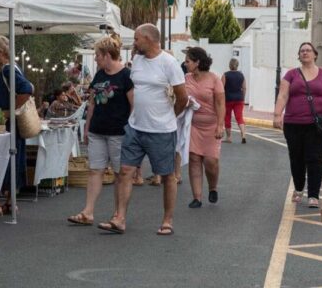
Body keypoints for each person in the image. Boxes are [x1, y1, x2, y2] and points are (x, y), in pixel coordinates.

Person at [100, 24, 187, 235]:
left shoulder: (169, 63)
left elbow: (182, 97)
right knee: (125, 171)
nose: (134, 43)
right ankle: (119, 218)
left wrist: (170, 116)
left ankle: (167, 220)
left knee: (167, 176)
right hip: (135, 127)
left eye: (137, 39)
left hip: (161, 130)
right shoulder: (137, 60)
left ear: (149, 39)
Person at [68, 35, 133, 227]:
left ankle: (119, 215)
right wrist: (87, 127)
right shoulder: (99, 74)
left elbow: (133, 104)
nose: (95, 58)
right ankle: (88, 212)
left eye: (97, 55)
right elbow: (92, 102)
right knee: (94, 170)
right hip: (98, 129)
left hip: (119, 132)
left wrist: (131, 129)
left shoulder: (126, 75)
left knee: (120, 173)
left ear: (106, 55)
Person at [274, 42, 322, 208]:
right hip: (293, 123)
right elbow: (282, 95)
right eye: (302, 51)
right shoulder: (291, 75)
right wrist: (277, 114)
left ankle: (314, 195)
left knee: (315, 158)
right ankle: (299, 188)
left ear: (315, 54)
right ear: (299, 55)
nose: (305, 53)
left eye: (308, 50)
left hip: (318, 125)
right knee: (296, 158)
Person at [0, 35, 33, 214]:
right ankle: (9, 201)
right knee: (11, 160)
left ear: (0, 52)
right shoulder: (12, 69)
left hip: (7, 126)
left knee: (2, 160)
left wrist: (9, 110)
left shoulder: (7, 70)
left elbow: (26, 89)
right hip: (10, 127)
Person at [184, 47, 225, 208]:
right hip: (193, 124)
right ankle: (197, 197)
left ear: (197, 62)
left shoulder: (214, 79)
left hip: (211, 125)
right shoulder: (186, 78)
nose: (185, 64)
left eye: (188, 61)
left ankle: (213, 187)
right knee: (194, 159)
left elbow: (221, 103)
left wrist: (220, 125)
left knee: (211, 161)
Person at [221, 58, 247, 144]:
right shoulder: (241, 75)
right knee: (239, 117)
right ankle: (243, 135)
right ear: (237, 65)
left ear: (229, 65)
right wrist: (242, 97)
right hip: (239, 99)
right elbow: (244, 88)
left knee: (227, 117)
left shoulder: (225, 75)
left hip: (228, 99)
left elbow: (221, 88)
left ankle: (228, 137)